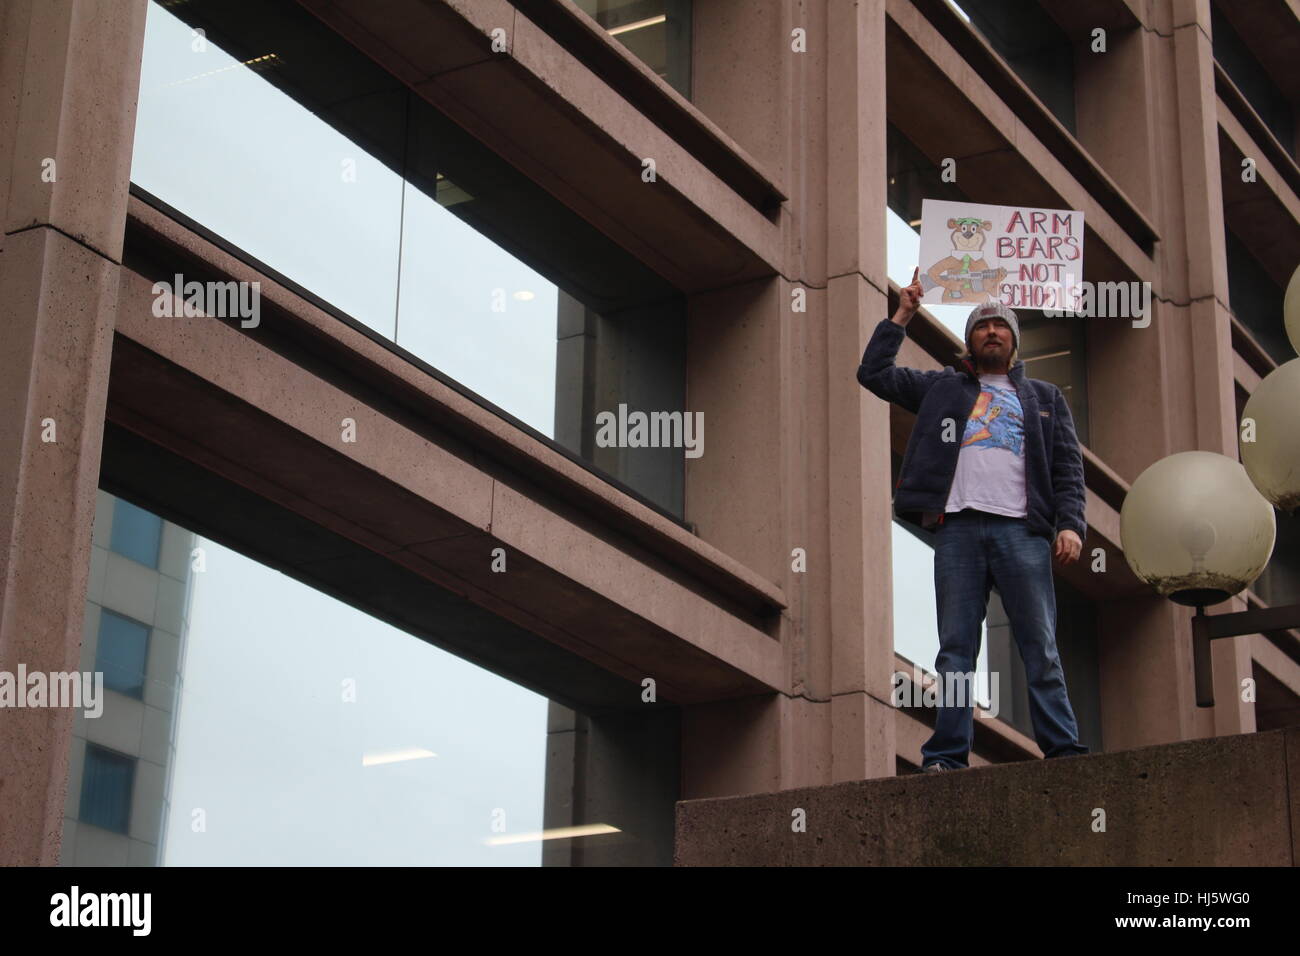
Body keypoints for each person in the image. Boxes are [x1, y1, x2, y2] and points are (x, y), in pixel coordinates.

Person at [857, 268, 1090, 771]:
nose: (991, 332)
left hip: (1022, 532)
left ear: (1013, 341)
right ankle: (946, 756)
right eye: (982, 325)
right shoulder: (943, 387)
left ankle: (1063, 750)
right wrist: (902, 314)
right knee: (955, 650)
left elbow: (1068, 468)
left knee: (1040, 646)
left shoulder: (1045, 399)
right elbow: (873, 374)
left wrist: (1070, 524)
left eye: (1000, 326)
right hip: (958, 528)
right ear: (970, 340)